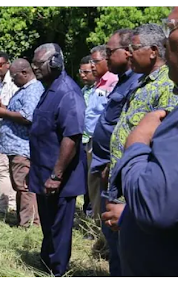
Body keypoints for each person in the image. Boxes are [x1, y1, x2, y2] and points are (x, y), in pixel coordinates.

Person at [103, 7, 178, 276]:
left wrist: (134, 147)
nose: (128, 53)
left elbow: (165, 187)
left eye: (172, 28)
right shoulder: (140, 81)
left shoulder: (172, 87)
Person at [28, 43, 87, 277]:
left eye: (39, 64)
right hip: (44, 173)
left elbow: (71, 137)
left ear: (55, 63)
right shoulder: (50, 88)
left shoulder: (68, 93)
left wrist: (56, 175)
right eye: (33, 63)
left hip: (58, 177)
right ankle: (45, 262)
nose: (35, 68)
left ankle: (57, 272)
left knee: (59, 228)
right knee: (48, 224)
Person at [89, 28, 142, 276]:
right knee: (111, 236)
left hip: (119, 174)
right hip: (106, 169)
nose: (107, 57)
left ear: (128, 52)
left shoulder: (139, 83)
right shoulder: (122, 80)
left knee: (121, 241)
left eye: (110, 52)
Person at [0, 58, 44, 228]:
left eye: (14, 77)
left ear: (24, 73)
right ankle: (24, 219)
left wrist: (4, 113)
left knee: (24, 186)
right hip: (15, 147)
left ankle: (29, 223)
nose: (12, 80)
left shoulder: (33, 90)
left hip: (22, 147)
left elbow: (28, 116)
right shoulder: (24, 89)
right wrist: (5, 107)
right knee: (19, 185)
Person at [82, 46, 119, 218]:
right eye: (91, 62)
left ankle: (100, 224)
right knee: (93, 184)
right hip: (91, 140)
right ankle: (95, 221)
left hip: (104, 144)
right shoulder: (99, 82)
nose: (93, 65)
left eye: (96, 61)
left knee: (101, 184)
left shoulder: (113, 82)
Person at [0, 51, 19, 214]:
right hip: (1, 130)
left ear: (8, 64)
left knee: (4, 169)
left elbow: (18, 110)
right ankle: (8, 205)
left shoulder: (14, 83)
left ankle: (9, 206)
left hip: (11, 132)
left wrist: (2, 110)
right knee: (2, 169)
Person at [79, 55, 96, 217]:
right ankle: (87, 213)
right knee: (85, 180)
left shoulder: (101, 92)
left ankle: (92, 216)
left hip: (94, 142)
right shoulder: (83, 91)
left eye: (86, 72)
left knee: (93, 182)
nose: (83, 75)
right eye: (81, 72)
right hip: (82, 142)